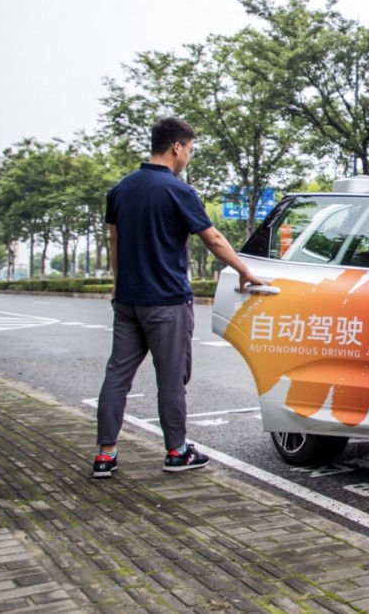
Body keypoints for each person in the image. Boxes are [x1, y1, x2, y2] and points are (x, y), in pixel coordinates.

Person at [93, 117, 262, 478]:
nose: (188, 156)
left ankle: (105, 455)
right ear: (176, 147)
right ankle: (177, 451)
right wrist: (244, 270)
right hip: (167, 301)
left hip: (127, 301)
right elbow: (213, 238)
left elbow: (114, 241)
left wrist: (118, 283)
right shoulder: (177, 190)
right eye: (190, 150)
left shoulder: (120, 189)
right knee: (171, 378)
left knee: (117, 375)